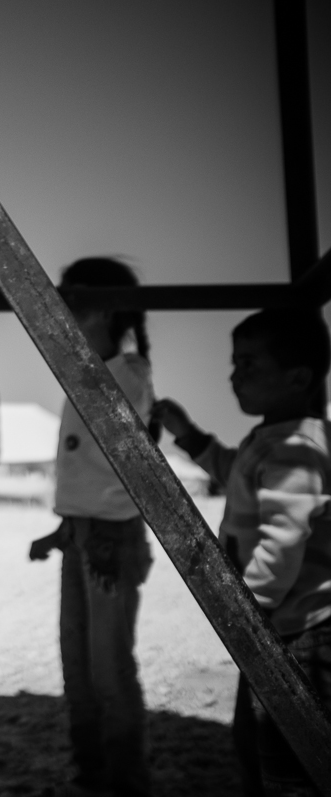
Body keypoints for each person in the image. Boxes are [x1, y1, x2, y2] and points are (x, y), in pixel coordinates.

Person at [153, 309, 331, 797]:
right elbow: (232, 469)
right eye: (234, 363)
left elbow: (284, 539)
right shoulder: (271, 438)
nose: (234, 376)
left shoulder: (297, 447)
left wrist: (248, 612)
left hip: (299, 631)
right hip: (278, 626)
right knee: (255, 740)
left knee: (289, 753)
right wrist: (188, 435)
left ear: (298, 377)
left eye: (249, 364)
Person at [28, 257, 156, 797]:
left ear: (102, 309)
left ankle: (122, 782)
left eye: (71, 304)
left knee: (107, 671)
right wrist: (65, 529)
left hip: (108, 540)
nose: (61, 316)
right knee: (78, 666)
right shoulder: (88, 375)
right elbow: (91, 471)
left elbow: (130, 473)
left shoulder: (126, 377)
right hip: (84, 535)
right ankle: (93, 775)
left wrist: (93, 527)